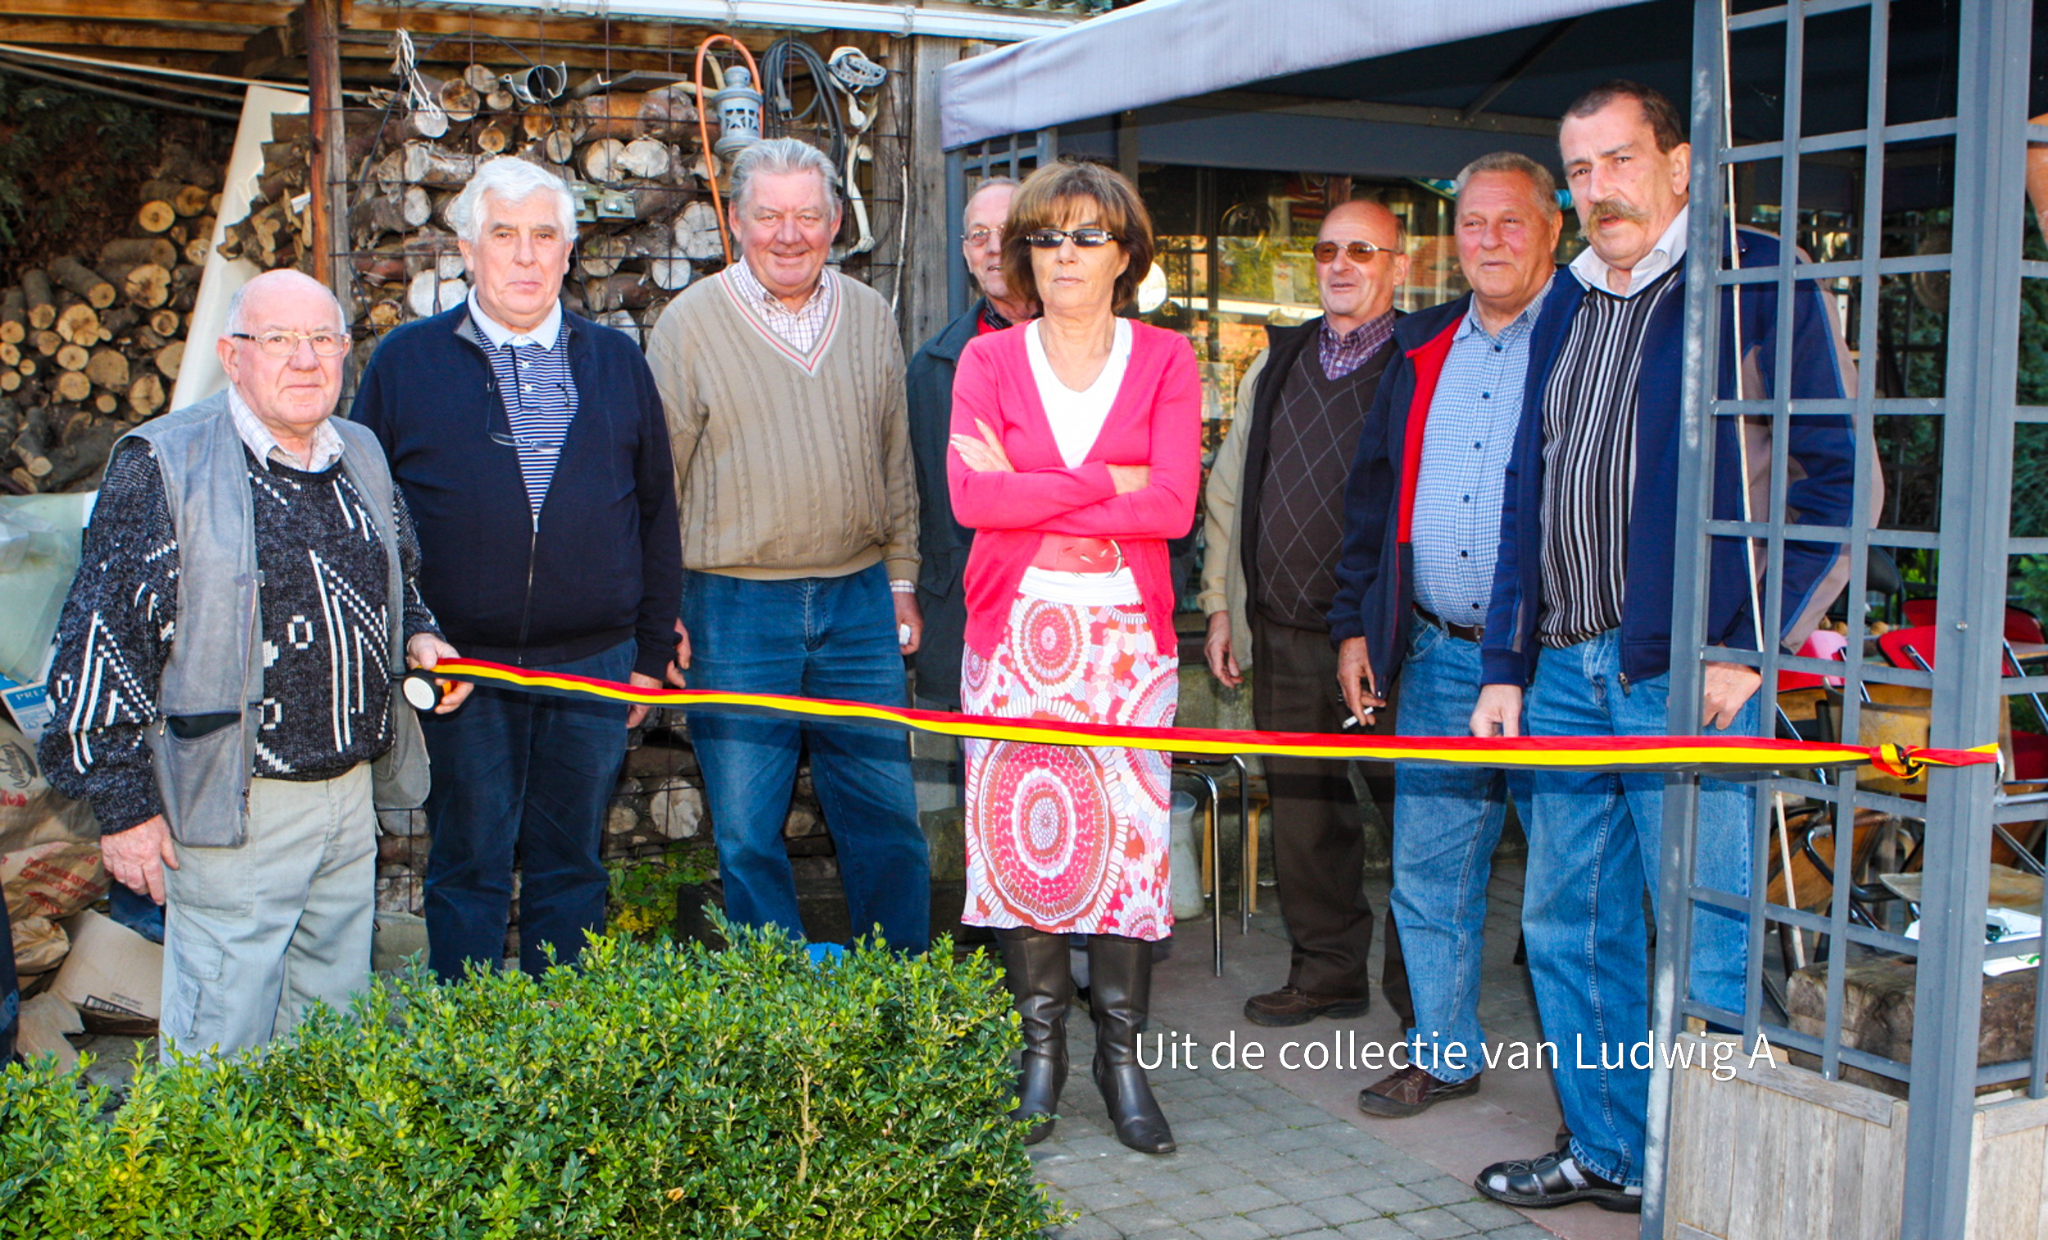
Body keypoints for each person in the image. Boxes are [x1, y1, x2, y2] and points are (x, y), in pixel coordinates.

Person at [1468, 81, 1855, 1211]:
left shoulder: (1753, 280)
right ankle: (1608, 1151)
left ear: (1677, 166)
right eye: (1577, 171)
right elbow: (1525, 496)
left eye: (1617, 161)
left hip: (1684, 678)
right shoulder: (1565, 304)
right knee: (1565, 927)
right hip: (1561, 672)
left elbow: (1838, 483)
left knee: (1708, 938)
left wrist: (1750, 643)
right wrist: (1502, 663)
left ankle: (1712, 1182)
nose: (1598, 190)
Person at [39, 269, 467, 1058]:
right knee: (221, 1041)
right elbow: (100, 643)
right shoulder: (164, 466)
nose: (304, 360)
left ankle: (304, 1182)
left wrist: (421, 636)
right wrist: (125, 809)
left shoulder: (362, 451)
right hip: (235, 801)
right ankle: (203, 1184)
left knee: (329, 1030)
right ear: (233, 356)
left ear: (345, 352)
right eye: (278, 340)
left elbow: (400, 579)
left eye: (322, 340)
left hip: (348, 798)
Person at [353, 158, 682, 981]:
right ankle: (473, 1053)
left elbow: (655, 515)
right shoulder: (407, 361)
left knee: (573, 865)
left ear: (570, 252)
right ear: (468, 248)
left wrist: (646, 659)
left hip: (593, 666)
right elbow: (365, 519)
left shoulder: (616, 361)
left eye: (545, 236)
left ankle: (558, 1048)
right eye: (506, 235)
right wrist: (403, 639)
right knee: (468, 863)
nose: (527, 256)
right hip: (464, 665)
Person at [948, 159, 1200, 1155]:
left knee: (1127, 858)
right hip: (1011, 641)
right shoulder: (987, 364)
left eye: (1087, 236)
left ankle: (1120, 1058)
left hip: (1125, 645)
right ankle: (1040, 1053)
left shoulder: (1167, 361)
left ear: (1125, 253)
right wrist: (1106, 479)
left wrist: (1036, 480)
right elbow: (974, 501)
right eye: (1047, 236)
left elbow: (1172, 504)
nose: (1063, 254)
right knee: (1024, 852)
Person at [646, 138, 930, 954]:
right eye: (768, 215)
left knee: (887, 821)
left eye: (808, 214)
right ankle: (781, 1017)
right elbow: (658, 482)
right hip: (731, 607)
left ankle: (904, 1001)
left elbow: (892, 458)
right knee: (746, 834)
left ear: (836, 221)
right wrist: (660, 610)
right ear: (736, 220)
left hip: (858, 602)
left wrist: (902, 579)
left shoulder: (870, 315)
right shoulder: (689, 325)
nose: (789, 233)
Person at [1329, 152, 1563, 1117]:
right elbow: (1371, 498)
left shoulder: (1588, 340)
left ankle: (1598, 1096)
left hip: (1559, 668)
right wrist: (1354, 628)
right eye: (1475, 223)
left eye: (1514, 222)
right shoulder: (1420, 347)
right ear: (1451, 239)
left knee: (1566, 896)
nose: (1493, 241)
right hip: (1431, 655)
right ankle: (1444, 1051)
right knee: (1428, 873)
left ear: (1556, 230)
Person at [1197, 198, 1413, 1029]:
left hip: (1389, 640)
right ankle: (1327, 972)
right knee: (1305, 819)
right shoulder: (1279, 360)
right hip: (1284, 633)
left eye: (1363, 249)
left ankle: (1422, 1001)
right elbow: (1229, 492)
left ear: (1396, 263)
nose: (1341, 264)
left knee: (1417, 819)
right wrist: (1222, 608)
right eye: (1327, 249)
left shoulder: (1419, 360)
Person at [905, 177, 1037, 710]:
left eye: (1007, 230)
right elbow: (911, 497)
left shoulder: (1094, 349)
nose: (992, 245)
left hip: (1071, 603)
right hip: (963, 612)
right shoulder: (932, 365)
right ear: (965, 253)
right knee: (977, 784)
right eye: (978, 234)